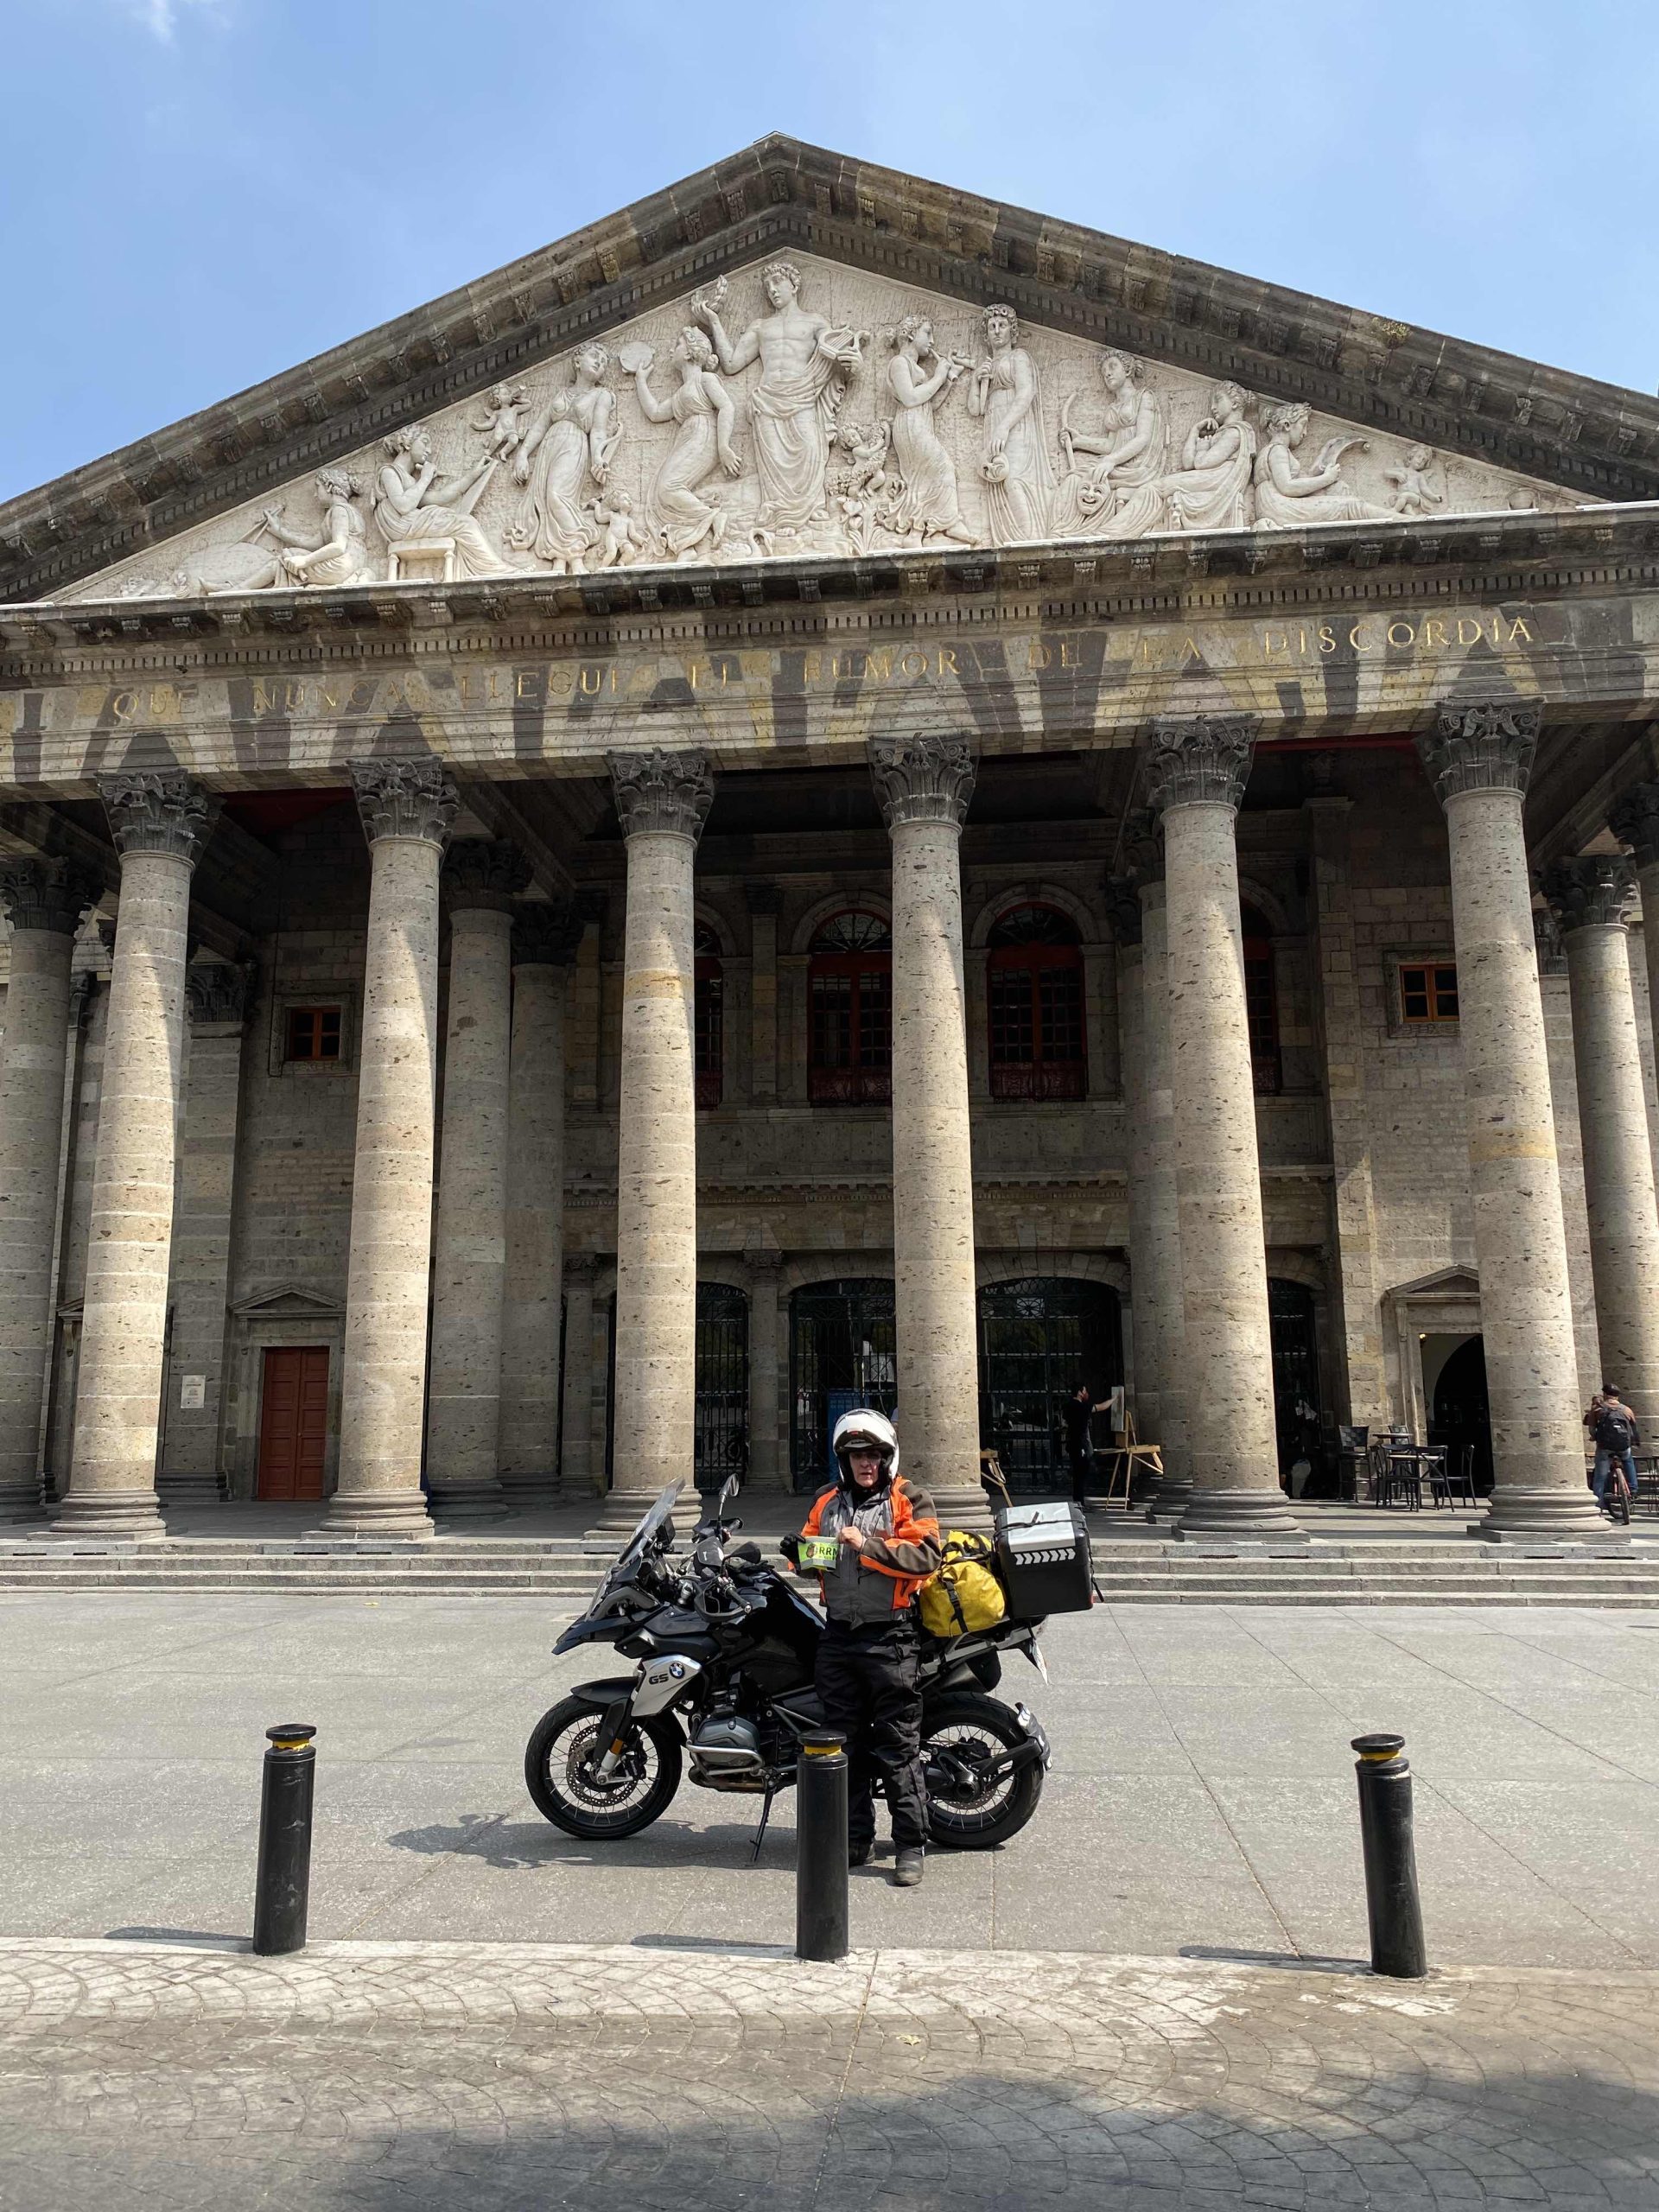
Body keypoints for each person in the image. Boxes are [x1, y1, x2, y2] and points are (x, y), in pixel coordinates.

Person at [784, 1409, 941, 1886]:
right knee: (841, 1743)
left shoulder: (909, 1498)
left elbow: (928, 1556)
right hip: (838, 1636)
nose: (864, 1464)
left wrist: (869, 1544)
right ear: (843, 1461)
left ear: (886, 1458)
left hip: (891, 1637)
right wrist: (800, 1555)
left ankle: (910, 1846)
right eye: (855, 1456)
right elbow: (814, 1561)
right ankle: (855, 1839)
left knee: (897, 1746)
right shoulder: (825, 1503)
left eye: (872, 1455)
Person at [1586, 1382, 1640, 1516]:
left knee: (1600, 1476)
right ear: (1617, 1396)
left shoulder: (1598, 1409)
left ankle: (1599, 1505)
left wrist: (1594, 1437)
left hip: (1605, 1447)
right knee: (1628, 1461)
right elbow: (1633, 1429)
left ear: (1605, 1394)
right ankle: (1633, 1489)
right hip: (1623, 1446)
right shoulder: (1626, 1409)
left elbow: (1592, 1428)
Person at [1063, 1383, 1095, 1506]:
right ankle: (1079, 1501)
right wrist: (1113, 1400)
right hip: (1080, 1444)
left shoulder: (1069, 1406)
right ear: (1080, 1392)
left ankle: (1078, 1500)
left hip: (1073, 1444)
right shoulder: (1080, 1407)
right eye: (1085, 1390)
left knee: (1078, 1474)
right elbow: (1098, 1407)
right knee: (1080, 1473)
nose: (1087, 1393)